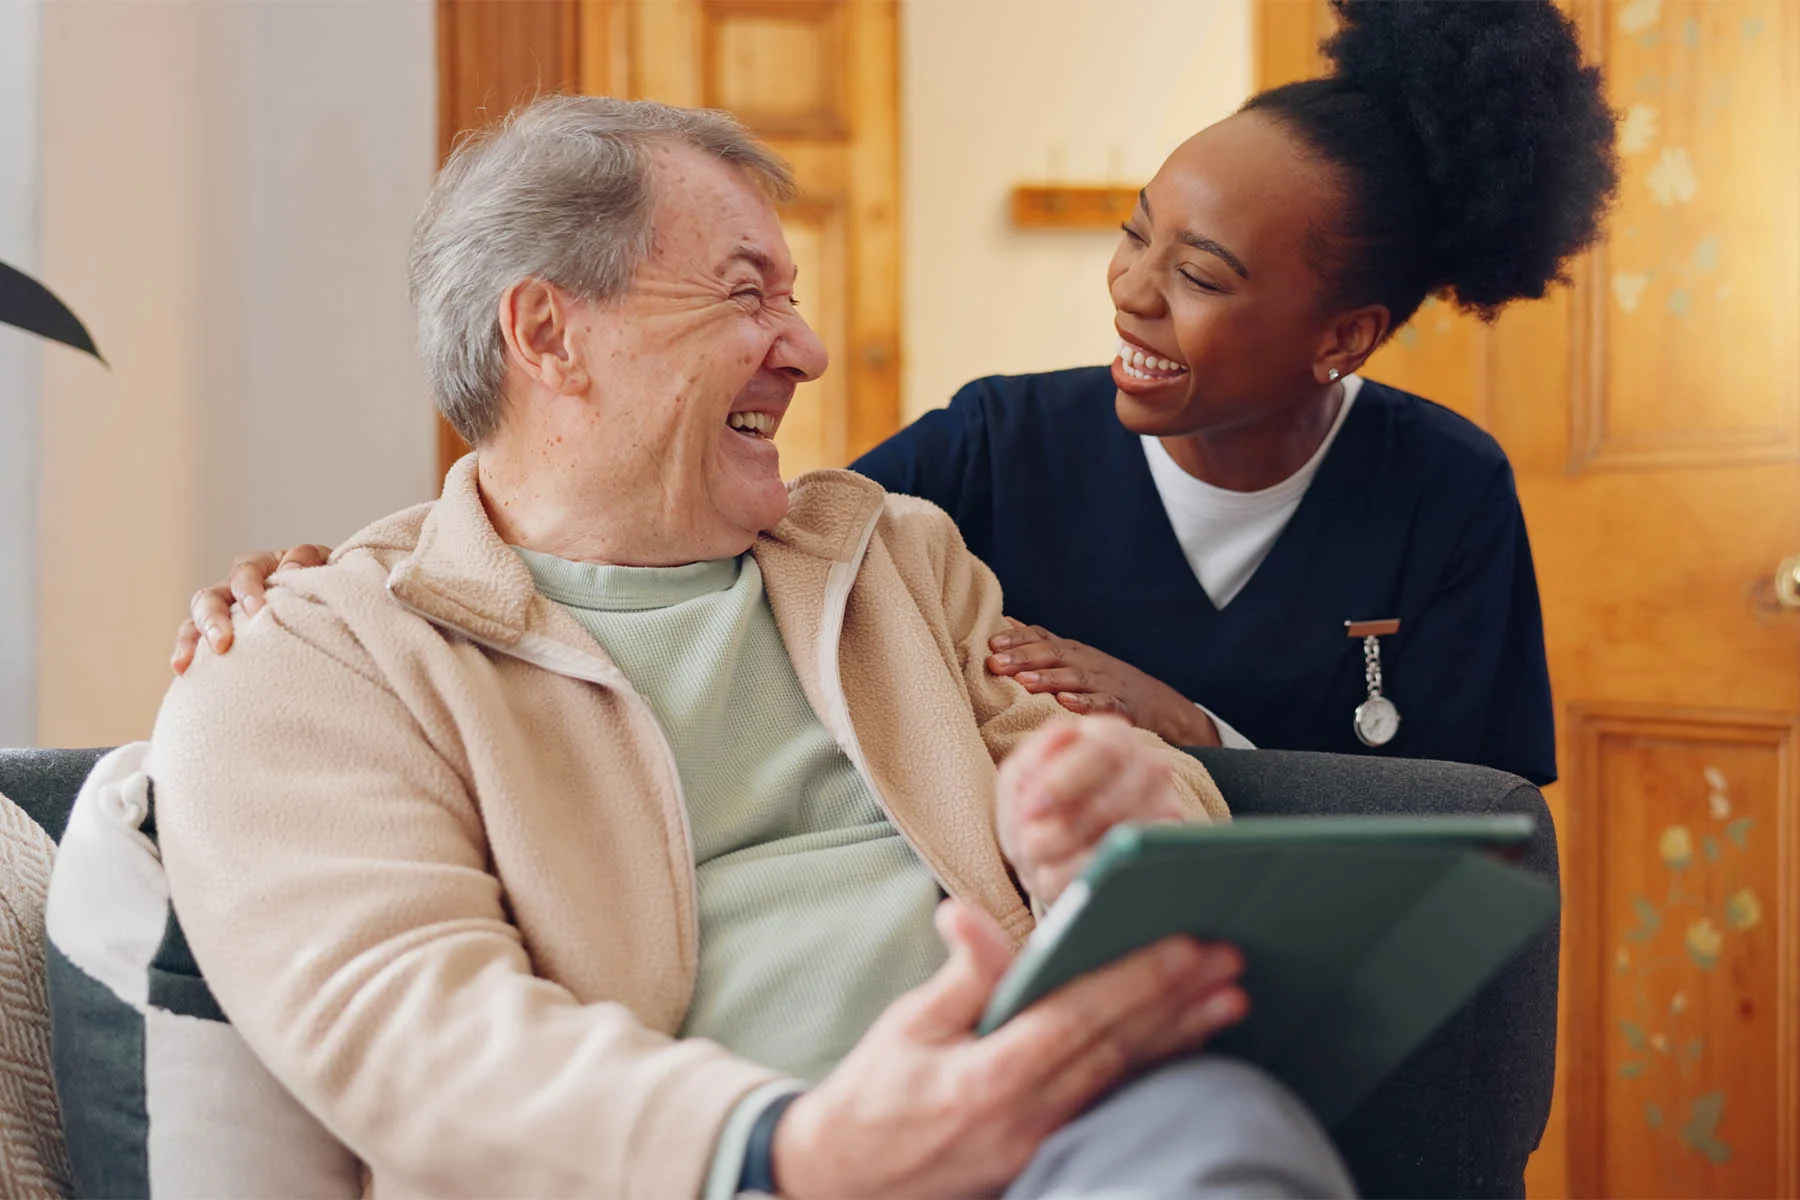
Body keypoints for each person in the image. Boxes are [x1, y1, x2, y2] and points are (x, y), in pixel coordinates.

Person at [150, 96, 1356, 1199]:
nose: (807, 348)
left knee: (1220, 1131)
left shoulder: (896, 559)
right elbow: (416, 1032)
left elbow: (1156, 842)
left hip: (1042, 1145)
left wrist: (1120, 833)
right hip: (714, 1172)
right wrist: (789, 1148)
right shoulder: (315, 658)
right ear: (548, 333)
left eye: (791, 297)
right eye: (747, 297)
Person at [179, 1, 1613, 788]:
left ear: (1340, 337)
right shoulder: (995, 444)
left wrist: (1195, 730)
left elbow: (1480, 825)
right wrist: (361, 581)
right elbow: (691, 540)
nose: (1130, 290)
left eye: (1202, 275)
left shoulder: (1444, 491)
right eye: (1134, 235)